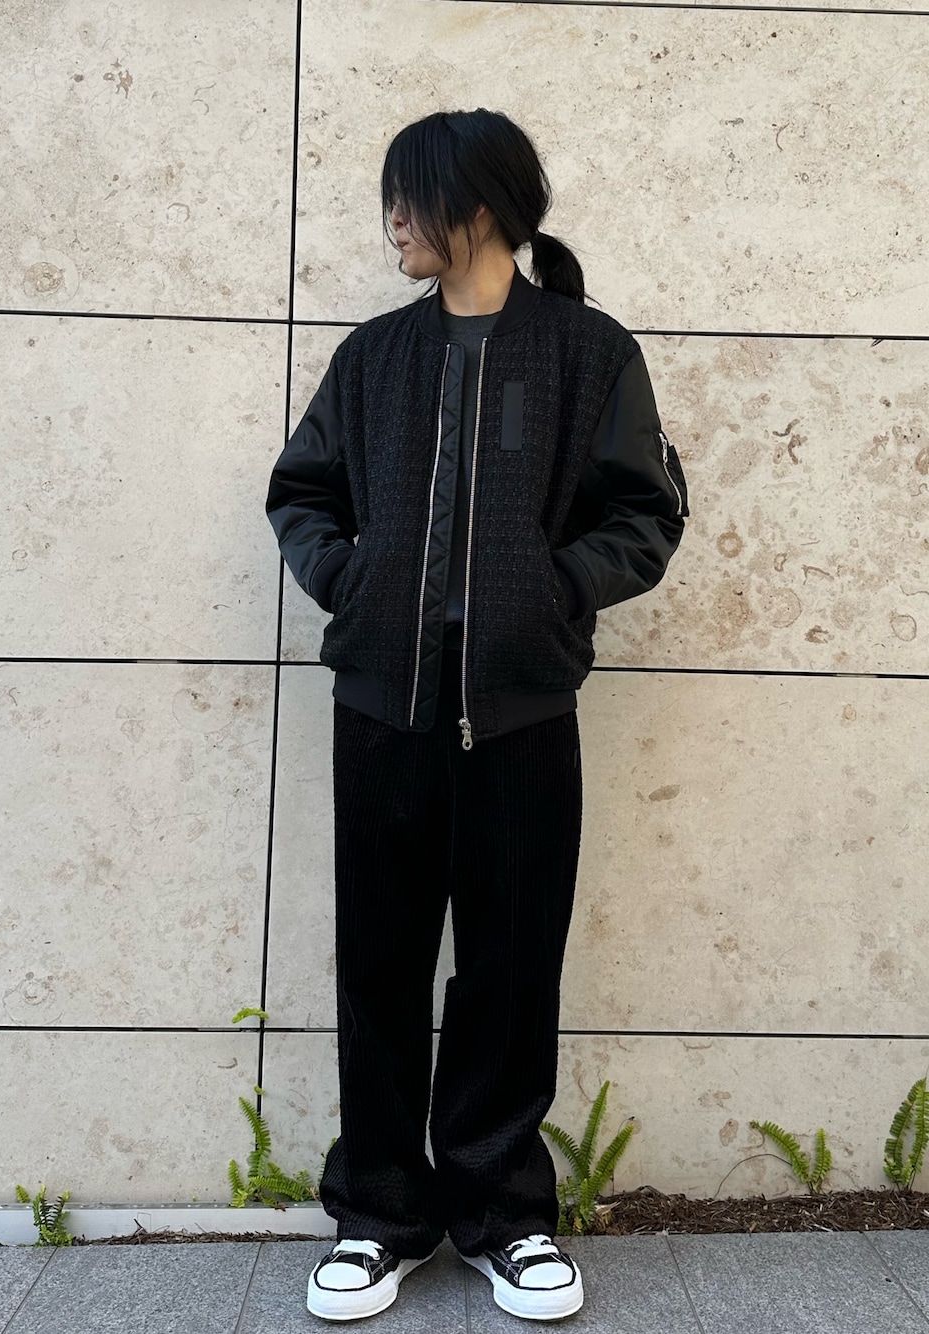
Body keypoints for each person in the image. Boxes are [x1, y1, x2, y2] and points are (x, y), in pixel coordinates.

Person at [266, 108, 688, 1323]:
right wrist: (350, 580)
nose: (393, 221)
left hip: (519, 713)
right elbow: (302, 493)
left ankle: (503, 1215)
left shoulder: (587, 351)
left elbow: (645, 512)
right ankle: (379, 1215)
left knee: (509, 969)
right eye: (391, 200)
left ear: (482, 206)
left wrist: (553, 590)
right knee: (380, 969)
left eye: (411, 199)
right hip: (381, 711)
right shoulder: (375, 358)